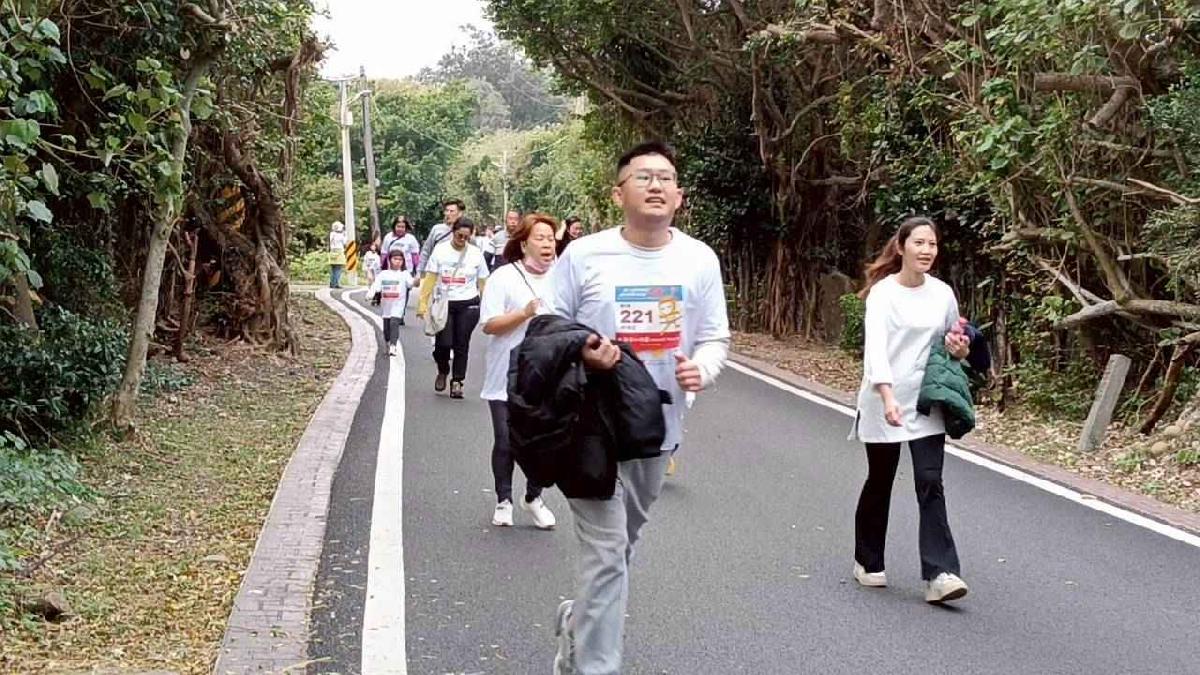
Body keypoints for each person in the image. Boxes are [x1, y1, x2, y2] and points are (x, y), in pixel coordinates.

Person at [548, 141, 730, 675]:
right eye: (643, 176)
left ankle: (578, 622)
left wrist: (704, 367)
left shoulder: (699, 258)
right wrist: (584, 350)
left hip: (659, 425)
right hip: (590, 424)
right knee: (605, 552)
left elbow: (716, 337)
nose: (656, 184)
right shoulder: (584, 255)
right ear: (617, 192)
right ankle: (596, 667)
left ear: (679, 196)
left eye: (666, 177)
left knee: (619, 549)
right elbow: (550, 328)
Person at [849, 216, 972, 604]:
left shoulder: (942, 294)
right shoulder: (883, 295)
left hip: (926, 400)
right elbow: (876, 352)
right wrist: (886, 397)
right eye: (919, 242)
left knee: (930, 481)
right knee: (880, 479)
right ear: (901, 247)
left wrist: (961, 348)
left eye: (932, 244)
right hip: (883, 398)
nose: (926, 251)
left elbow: (957, 341)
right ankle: (868, 560)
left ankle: (941, 573)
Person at [479, 213, 560, 530]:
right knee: (506, 440)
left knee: (543, 444)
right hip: (506, 375)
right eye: (540, 238)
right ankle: (503, 500)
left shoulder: (563, 278)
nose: (547, 244)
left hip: (548, 377)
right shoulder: (503, 278)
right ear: (523, 243)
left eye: (551, 239)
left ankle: (533, 497)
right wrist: (524, 312)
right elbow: (489, 325)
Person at [417, 218, 490, 399]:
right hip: (445, 303)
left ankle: (457, 381)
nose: (462, 240)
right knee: (444, 343)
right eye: (459, 236)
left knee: (461, 344)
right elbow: (431, 278)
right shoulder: (440, 251)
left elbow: (483, 282)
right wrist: (423, 303)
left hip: (469, 303)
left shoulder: (475, 254)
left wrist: (488, 306)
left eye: (466, 237)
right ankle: (443, 369)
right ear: (453, 232)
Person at [370, 249, 415, 355]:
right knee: (386, 329)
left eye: (400, 259)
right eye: (395, 259)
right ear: (390, 260)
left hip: (398, 305)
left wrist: (416, 281)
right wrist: (370, 294)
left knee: (394, 323)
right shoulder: (384, 274)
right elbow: (376, 286)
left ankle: (393, 345)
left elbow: (411, 283)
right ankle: (388, 341)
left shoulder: (405, 274)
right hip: (386, 306)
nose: (398, 261)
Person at [418, 200, 464, 276]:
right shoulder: (437, 229)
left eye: (451, 211)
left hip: (457, 274)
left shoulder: (465, 231)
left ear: (460, 213)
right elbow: (426, 251)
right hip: (435, 272)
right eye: (446, 211)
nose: (448, 214)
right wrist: (420, 272)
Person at [328, 221, 347, 289]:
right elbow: (345, 242)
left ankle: (332, 282)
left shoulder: (332, 234)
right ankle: (336, 283)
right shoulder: (341, 235)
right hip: (339, 251)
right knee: (338, 268)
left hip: (332, 251)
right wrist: (345, 234)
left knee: (333, 268)